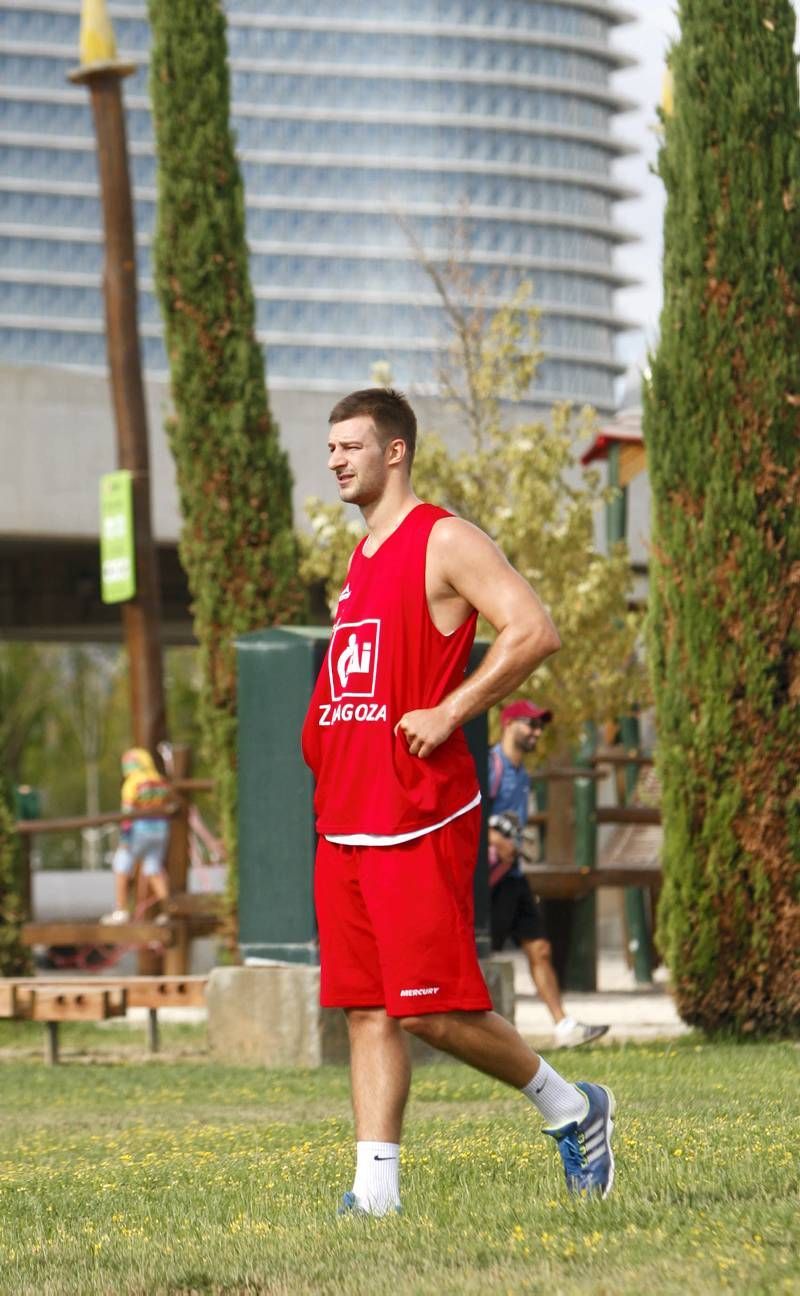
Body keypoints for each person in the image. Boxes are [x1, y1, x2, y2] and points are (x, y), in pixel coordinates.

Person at [301, 388, 616, 1217]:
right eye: (330, 447)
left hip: (415, 815)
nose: (335, 459)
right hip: (345, 820)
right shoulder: (362, 557)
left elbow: (532, 628)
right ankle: (375, 1197)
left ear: (394, 451)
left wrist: (452, 711)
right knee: (366, 1011)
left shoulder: (443, 538)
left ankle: (572, 1108)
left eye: (351, 446)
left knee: (434, 1011)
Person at [489, 700, 609, 1048]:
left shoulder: (522, 774)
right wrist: (495, 837)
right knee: (478, 957)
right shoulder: (489, 765)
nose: (537, 732)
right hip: (486, 882)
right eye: (530, 724)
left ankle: (563, 1026)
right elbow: (463, 814)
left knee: (539, 947)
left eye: (540, 726)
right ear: (508, 723)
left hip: (513, 877)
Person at [101, 748, 172, 924]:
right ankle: (170, 910)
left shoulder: (133, 783)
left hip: (140, 830)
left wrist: (125, 838)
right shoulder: (161, 781)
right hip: (161, 829)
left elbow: (128, 814)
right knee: (154, 869)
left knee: (121, 865)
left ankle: (121, 909)